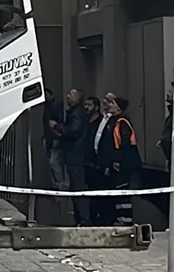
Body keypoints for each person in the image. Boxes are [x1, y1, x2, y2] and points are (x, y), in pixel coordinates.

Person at [94, 94, 141, 226]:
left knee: (122, 192)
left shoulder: (122, 123)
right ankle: (117, 219)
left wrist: (117, 161)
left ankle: (125, 221)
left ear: (119, 107)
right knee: (115, 192)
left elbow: (123, 144)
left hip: (121, 165)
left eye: (112, 103)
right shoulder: (110, 120)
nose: (109, 105)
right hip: (111, 164)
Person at [57, 88, 88, 225]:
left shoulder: (76, 114)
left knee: (78, 188)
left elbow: (73, 131)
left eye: (70, 94)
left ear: (77, 98)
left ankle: (83, 220)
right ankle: (80, 219)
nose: (67, 96)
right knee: (76, 188)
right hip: (75, 155)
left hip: (76, 156)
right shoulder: (76, 113)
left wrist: (59, 127)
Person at [42, 88, 66, 194]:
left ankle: (60, 184)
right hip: (48, 138)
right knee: (50, 162)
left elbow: (57, 124)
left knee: (54, 162)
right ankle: (55, 184)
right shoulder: (46, 107)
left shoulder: (56, 107)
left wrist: (57, 137)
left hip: (54, 138)